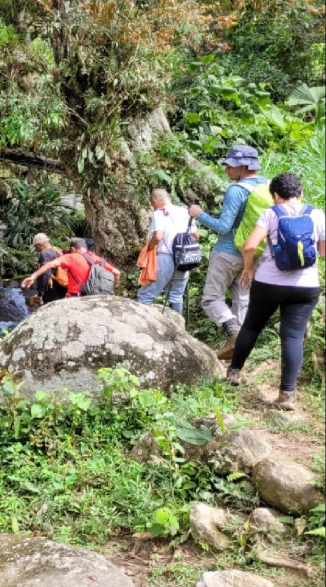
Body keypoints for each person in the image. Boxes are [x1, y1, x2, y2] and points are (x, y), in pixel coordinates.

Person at [226, 173, 325, 410]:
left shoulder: (271, 213)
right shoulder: (317, 214)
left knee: (251, 326)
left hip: (269, 283)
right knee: (292, 336)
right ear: (300, 194)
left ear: (276, 196)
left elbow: (249, 245)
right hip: (305, 286)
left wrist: (249, 268)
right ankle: (287, 395)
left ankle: (234, 373)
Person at [189, 144, 268, 358]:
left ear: (243, 166)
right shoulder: (268, 186)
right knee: (242, 299)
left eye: (230, 166)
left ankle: (233, 330)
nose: (226, 170)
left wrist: (200, 214)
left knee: (211, 298)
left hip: (228, 253)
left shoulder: (237, 190)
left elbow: (224, 227)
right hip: (253, 254)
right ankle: (241, 348)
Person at [137, 189, 199, 314]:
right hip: (184, 259)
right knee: (176, 295)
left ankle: (140, 330)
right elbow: (196, 236)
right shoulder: (184, 212)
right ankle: (178, 329)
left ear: (154, 201)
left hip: (165, 258)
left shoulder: (159, 213)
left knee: (145, 296)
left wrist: (149, 248)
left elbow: (158, 236)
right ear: (170, 199)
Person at [22, 237, 121, 297]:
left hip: (76, 297)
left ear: (73, 248)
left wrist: (32, 277)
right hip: (97, 296)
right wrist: (111, 287)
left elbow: (49, 264)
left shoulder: (71, 257)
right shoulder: (96, 258)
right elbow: (117, 273)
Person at [31, 233, 67, 304]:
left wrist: (41, 292)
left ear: (40, 245)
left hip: (52, 287)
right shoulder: (57, 250)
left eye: (35, 247)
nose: (36, 249)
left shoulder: (44, 253)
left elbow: (46, 273)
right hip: (62, 284)